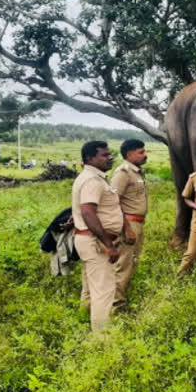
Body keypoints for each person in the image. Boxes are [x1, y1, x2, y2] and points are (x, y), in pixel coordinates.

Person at [71, 140, 123, 331]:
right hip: (96, 242)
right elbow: (88, 212)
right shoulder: (92, 180)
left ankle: (82, 321)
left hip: (89, 240)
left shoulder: (93, 177)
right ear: (90, 158)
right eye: (104, 155)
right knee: (104, 290)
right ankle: (102, 338)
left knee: (90, 287)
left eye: (110, 154)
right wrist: (108, 245)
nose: (110, 157)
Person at [110, 139, 148, 311]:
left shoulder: (136, 172)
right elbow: (113, 203)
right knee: (123, 266)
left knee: (132, 264)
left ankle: (122, 299)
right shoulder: (123, 173)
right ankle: (116, 306)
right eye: (140, 152)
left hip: (137, 223)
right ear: (129, 154)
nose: (144, 154)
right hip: (128, 224)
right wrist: (127, 229)